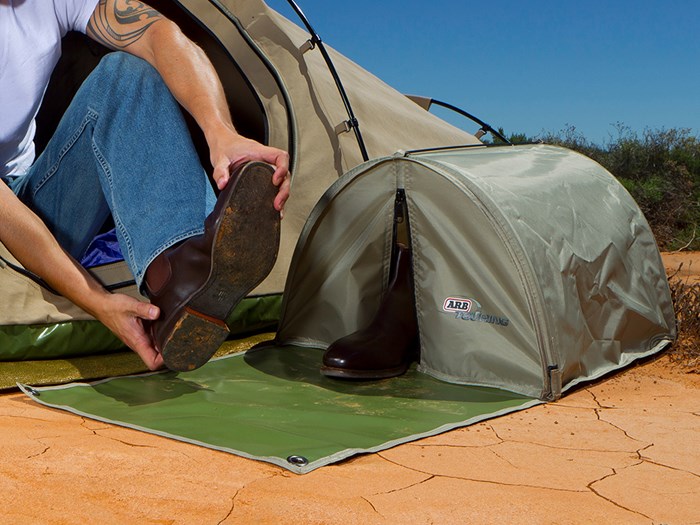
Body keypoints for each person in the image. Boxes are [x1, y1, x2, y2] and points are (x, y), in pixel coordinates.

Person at [0, 0, 291, 371]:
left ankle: (178, 274)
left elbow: (158, 35)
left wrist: (221, 132)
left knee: (124, 75)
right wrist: (96, 300)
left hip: (25, 190)